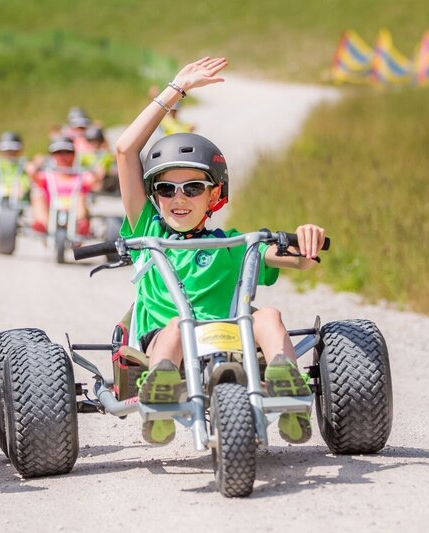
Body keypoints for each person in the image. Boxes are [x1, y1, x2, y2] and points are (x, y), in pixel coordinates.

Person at [115, 56, 326, 446]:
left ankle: (288, 386)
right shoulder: (147, 232)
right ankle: (160, 395)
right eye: (166, 189)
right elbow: (126, 151)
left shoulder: (234, 244)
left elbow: (297, 259)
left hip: (231, 337)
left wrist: (305, 240)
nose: (179, 198)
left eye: (193, 188)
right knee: (178, 327)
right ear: (155, 196)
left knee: (269, 315)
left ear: (214, 195)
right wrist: (175, 90)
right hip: (166, 342)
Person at [28, 136, 94, 237]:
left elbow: (93, 181)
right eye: (58, 153)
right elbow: (33, 174)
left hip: (74, 209)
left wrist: (98, 173)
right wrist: (36, 163)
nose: (63, 157)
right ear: (52, 156)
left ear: (74, 155)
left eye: (67, 152)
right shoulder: (48, 175)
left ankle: (80, 226)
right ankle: (43, 224)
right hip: (51, 209)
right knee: (37, 195)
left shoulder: (80, 176)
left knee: (81, 197)